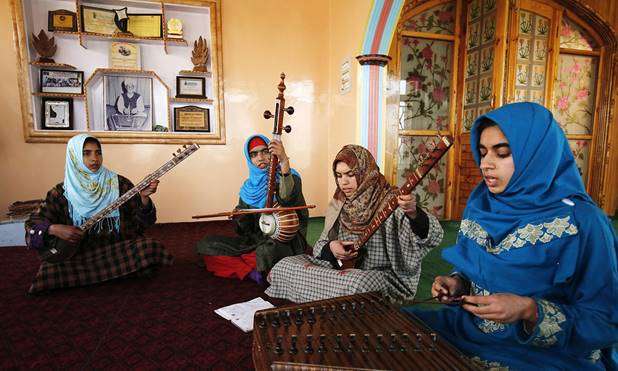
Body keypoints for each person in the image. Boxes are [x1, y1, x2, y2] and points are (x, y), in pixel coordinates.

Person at [403, 102, 618, 370]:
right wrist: (458, 283)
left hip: (542, 354)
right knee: (389, 328)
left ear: (538, 154)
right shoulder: (481, 203)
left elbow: (604, 321)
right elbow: (474, 265)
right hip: (469, 331)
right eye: (482, 153)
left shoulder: (584, 222)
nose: (486, 164)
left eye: (502, 153)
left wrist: (530, 310)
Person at [265, 144, 443, 303]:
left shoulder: (390, 201)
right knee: (285, 265)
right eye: (339, 175)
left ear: (366, 172)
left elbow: (434, 236)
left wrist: (414, 213)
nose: (344, 182)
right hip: (341, 270)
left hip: (379, 276)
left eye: (351, 174)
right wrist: (331, 247)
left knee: (358, 285)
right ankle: (339, 298)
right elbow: (321, 245)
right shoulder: (339, 202)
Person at [25, 134, 173, 294]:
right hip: (80, 253)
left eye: (98, 152)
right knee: (49, 269)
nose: (94, 158)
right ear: (73, 156)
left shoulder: (120, 184)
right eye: (86, 153)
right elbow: (33, 224)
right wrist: (55, 229)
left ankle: (91, 277)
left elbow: (144, 223)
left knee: (150, 248)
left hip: (117, 248)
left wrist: (144, 198)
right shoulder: (61, 192)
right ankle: (118, 273)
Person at [195, 134, 308, 285]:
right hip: (254, 241)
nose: (260, 158)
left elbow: (287, 200)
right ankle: (252, 272)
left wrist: (284, 161)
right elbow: (244, 232)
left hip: (284, 242)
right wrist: (239, 217)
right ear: (249, 159)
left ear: (272, 152)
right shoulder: (248, 188)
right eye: (253, 154)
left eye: (265, 151)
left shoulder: (290, 177)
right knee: (206, 245)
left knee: (266, 252)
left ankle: (246, 265)